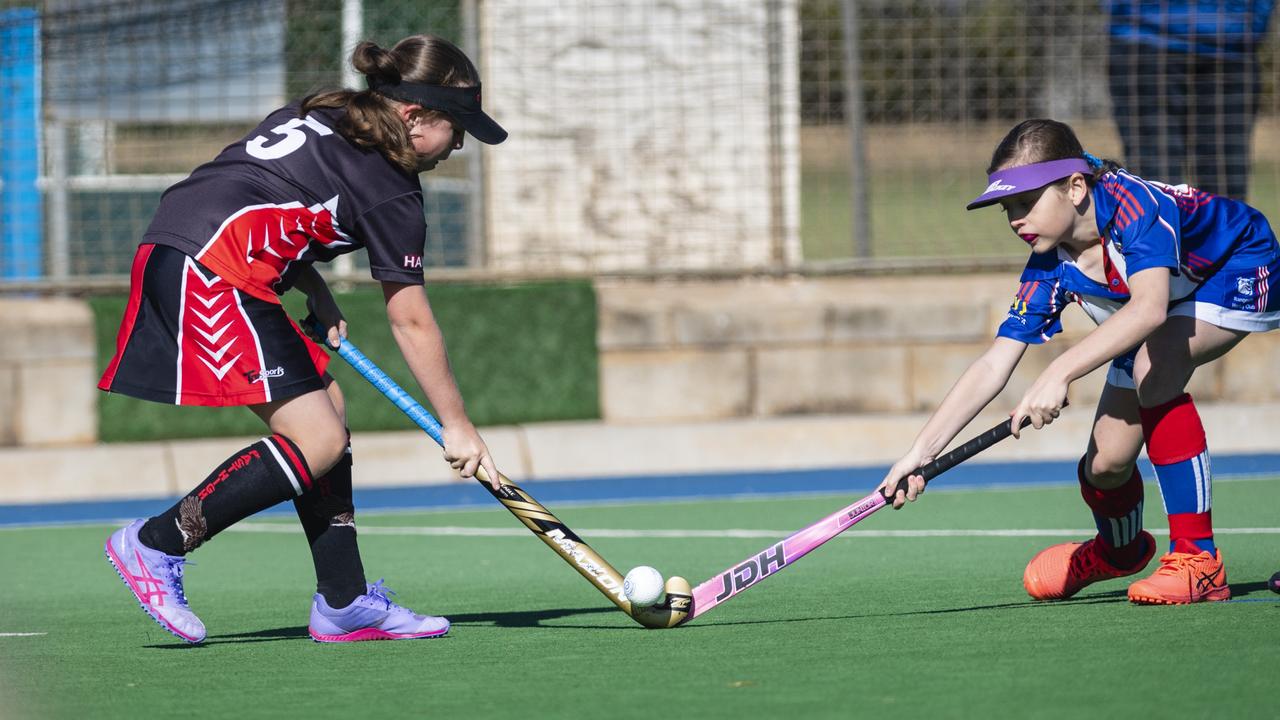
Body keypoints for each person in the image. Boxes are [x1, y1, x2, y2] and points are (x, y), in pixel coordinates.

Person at [99, 35, 506, 643]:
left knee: (328, 415)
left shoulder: (324, 109)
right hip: (215, 268)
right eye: (458, 127)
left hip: (185, 244)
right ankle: (156, 542)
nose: (461, 145)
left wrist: (310, 284)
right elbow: (411, 319)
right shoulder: (393, 188)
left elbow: (261, 187)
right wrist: (457, 424)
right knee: (315, 438)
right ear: (415, 116)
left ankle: (343, 601)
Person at [879, 118, 1280, 604]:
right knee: (1106, 464)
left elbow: (1150, 308)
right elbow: (994, 363)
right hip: (1159, 301)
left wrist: (1058, 371)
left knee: (1154, 369)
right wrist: (920, 453)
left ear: (1074, 187)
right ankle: (1120, 550)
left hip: (1237, 263)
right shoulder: (1049, 263)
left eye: (1026, 203)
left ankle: (1198, 560)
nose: (1015, 220)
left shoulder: (1135, 208)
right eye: (1008, 208)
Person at [1106, 1, 1275, 200]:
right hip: (1145, 36)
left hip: (1232, 42)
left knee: (1225, 192)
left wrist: (1250, 20)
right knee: (1156, 185)